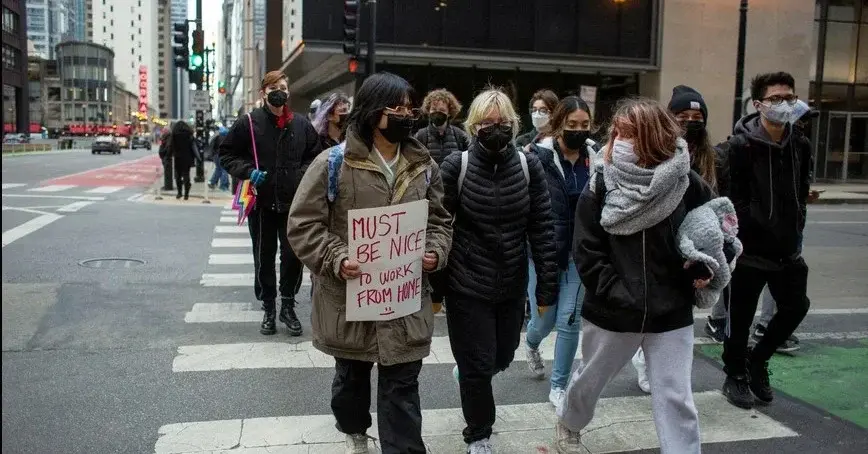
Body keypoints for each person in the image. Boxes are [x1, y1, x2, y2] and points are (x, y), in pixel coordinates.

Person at [286, 72, 452, 454]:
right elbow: (302, 224)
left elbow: (441, 221)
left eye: (410, 108)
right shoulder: (333, 163)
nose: (407, 115)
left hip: (404, 303)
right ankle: (354, 430)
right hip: (350, 303)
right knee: (351, 383)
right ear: (374, 111)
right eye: (398, 108)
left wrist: (435, 251)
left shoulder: (424, 165)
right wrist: (336, 257)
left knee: (402, 393)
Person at [554, 98, 713, 454]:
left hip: (671, 312)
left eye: (629, 133)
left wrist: (706, 265)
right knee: (589, 382)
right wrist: (616, 292)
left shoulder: (685, 182)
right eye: (617, 132)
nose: (619, 140)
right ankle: (570, 421)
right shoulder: (601, 183)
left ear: (652, 135)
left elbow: (714, 229)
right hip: (614, 312)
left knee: (676, 396)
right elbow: (587, 250)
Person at [439, 87, 559, 454]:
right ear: (474, 126)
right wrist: (434, 286)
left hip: (510, 282)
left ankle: (473, 373)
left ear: (513, 125)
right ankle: (479, 433)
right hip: (465, 283)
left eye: (502, 123)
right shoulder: (455, 166)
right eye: (488, 123)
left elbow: (542, 226)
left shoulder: (528, 166)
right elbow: (437, 226)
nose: (495, 128)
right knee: (477, 365)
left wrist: (546, 288)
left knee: (502, 356)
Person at [716, 72, 812, 410]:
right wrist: (748, 231)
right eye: (775, 99)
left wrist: (795, 224)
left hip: (787, 249)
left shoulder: (799, 142)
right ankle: (736, 375)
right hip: (749, 250)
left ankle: (758, 360)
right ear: (758, 105)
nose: (784, 104)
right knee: (739, 318)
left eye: (789, 96)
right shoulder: (738, 146)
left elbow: (800, 190)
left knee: (796, 305)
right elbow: (732, 200)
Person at [632, 84, 720, 393]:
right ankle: (645, 363)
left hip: (693, 245)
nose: (690, 121)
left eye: (697, 115)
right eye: (682, 115)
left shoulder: (712, 158)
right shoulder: (660, 152)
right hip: (661, 242)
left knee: (680, 309)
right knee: (655, 307)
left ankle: (667, 369)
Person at [220, 70, 322, 337]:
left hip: (293, 206)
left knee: (292, 257)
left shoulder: (301, 125)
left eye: (284, 87)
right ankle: (268, 307)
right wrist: (246, 171)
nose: (280, 91)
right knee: (263, 258)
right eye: (274, 86)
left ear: (288, 93)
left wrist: (300, 175)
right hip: (262, 204)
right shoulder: (248, 123)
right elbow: (226, 153)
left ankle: (287, 305)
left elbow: (315, 156)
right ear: (263, 92)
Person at [525, 96, 594, 409]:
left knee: (569, 320)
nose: (578, 131)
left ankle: (559, 385)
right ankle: (532, 343)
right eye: (572, 125)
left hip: (578, 257)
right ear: (559, 125)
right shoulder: (536, 158)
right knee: (544, 319)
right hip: (542, 256)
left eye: (584, 125)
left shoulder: (596, 160)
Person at [414, 88, 471, 166]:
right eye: (434, 109)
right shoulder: (421, 136)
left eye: (442, 110)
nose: (437, 113)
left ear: (449, 112)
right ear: (428, 111)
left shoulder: (459, 135)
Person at [168, 121, 197, 200]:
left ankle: (179, 192)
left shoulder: (174, 135)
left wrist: (169, 155)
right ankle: (186, 194)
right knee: (186, 175)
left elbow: (171, 146)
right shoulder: (189, 135)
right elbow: (193, 146)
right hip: (187, 157)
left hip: (178, 157)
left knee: (178, 176)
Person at [208, 127, 230, 191]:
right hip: (222, 155)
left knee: (218, 169)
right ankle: (223, 185)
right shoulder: (226, 138)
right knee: (224, 169)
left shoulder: (217, 137)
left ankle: (212, 182)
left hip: (216, 155)